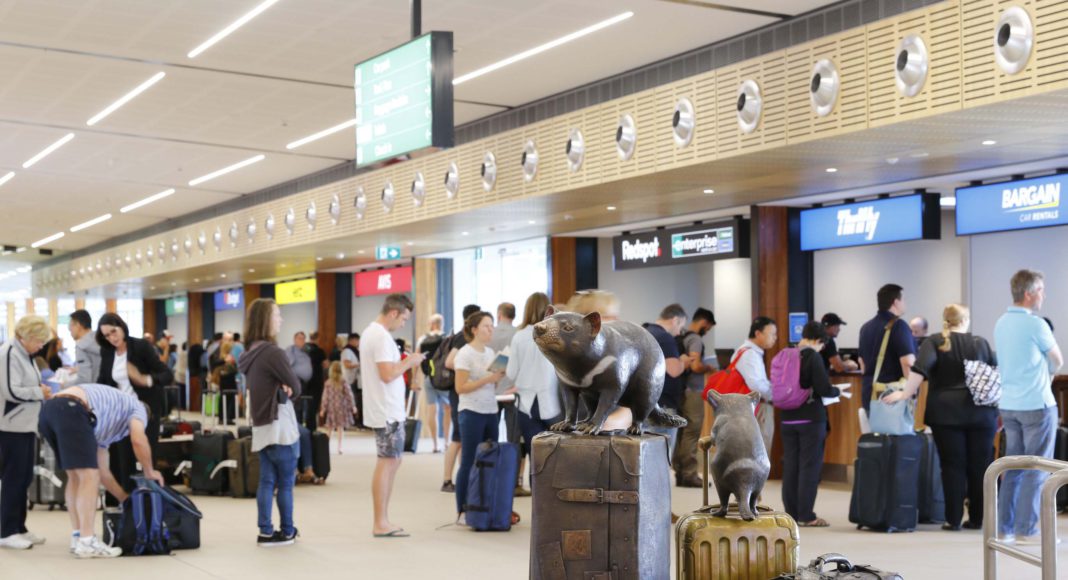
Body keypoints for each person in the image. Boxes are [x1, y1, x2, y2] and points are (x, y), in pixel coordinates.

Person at [883, 304, 998, 531]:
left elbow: (920, 369)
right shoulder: (980, 343)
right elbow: (994, 375)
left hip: (946, 413)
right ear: (966, 320)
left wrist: (905, 394)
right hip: (982, 413)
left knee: (952, 465)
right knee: (980, 465)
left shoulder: (935, 341)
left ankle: (952, 519)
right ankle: (977, 519)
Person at [37, 383, 163, 558]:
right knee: (89, 476)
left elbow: (103, 472)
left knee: (76, 477)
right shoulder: (138, 408)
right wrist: (149, 471)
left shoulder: (106, 426)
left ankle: (78, 537)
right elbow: (138, 440)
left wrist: (124, 499)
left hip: (49, 411)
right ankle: (87, 541)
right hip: (72, 408)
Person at [992, 270, 1062, 544]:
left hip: (1009, 405)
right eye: (1041, 289)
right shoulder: (1036, 324)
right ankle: (1027, 530)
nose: (1044, 294)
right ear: (1029, 293)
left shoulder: (1001, 322)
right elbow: (1057, 360)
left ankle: (1005, 529)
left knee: (1013, 467)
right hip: (1036, 404)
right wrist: (1047, 375)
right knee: (1037, 468)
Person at [237, 298, 304, 547]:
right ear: (266, 319)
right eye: (277, 315)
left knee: (266, 482)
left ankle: (265, 531)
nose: (281, 319)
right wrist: (287, 387)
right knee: (285, 483)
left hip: (262, 425)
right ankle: (287, 531)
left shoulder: (249, 354)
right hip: (281, 426)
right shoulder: (274, 353)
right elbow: (295, 387)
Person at [361, 294, 424, 538]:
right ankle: (380, 522)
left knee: (392, 461)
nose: (403, 324)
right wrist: (410, 362)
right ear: (394, 313)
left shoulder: (372, 333)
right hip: (386, 410)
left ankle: (383, 520)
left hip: (385, 409)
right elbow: (387, 374)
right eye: (404, 319)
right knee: (387, 462)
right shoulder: (380, 336)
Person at [96, 312, 173, 492]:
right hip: (120, 412)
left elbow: (166, 374)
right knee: (123, 458)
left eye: (114, 332)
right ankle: (128, 500)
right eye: (106, 335)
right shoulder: (107, 352)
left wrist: (146, 380)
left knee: (146, 456)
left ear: (122, 327)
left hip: (144, 410)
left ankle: (149, 497)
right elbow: (103, 380)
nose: (112, 338)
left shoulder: (140, 346)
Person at [780, 321, 841, 528]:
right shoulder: (812, 356)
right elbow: (824, 388)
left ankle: (791, 514)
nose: (821, 348)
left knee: (791, 466)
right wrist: (837, 391)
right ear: (818, 340)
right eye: (822, 344)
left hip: (787, 418)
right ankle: (806, 515)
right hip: (810, 418)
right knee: (809, 467)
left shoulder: (786, 354)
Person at [0, 315, 52, 550]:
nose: (41, 346)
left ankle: (19, 527)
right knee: (14, 478)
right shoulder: (9, 353)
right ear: (26, 337)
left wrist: (38, 390)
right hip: (11, 426)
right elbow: (11, 391)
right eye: (39, 341)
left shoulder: (24, 354)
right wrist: (39, 392)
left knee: (24, 478)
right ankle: (7, 531)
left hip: (26, 424)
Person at [453, 311, 506, 522]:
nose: (490, 330)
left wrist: (497, 378)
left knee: (490, 458)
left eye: (492, 326)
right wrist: (488, 379)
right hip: (471, 412)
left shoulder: (490, 352)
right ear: (474, 330)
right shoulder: (464, 354)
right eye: (486, 326)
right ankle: (462, 508)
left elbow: (491, 383)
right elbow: (460, 387)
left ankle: (484, 505)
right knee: (469, 460)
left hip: (490, 410)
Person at [507, 292, 560, 495]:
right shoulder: (556, 334)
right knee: (555, 454)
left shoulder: (519, 336)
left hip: (527, 405)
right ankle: (554, 499)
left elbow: (511, 373)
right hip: (553, 403)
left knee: (534, 454)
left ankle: (538, 502)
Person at [440, 304, 482, 493]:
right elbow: (450, 362)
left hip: (464, 392)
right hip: (458, 392)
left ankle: (460, 478)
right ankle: (447, 480)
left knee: (462, 438)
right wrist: (467, 371)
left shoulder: (465, 337)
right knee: (458, 437)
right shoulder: (462, 338)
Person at [857, 284, 916, 413]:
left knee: (874, 426)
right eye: (903, 299)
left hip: (869, 394)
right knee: (898, 427)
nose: (905, 303)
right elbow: (908, 362)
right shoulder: (899, 326)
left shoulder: (865, 328)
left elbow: (862, 365)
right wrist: (910, 392)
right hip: (892, 396)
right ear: (895, 302)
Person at [643, 304, 692, 460]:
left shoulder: (645, 331)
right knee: (661, 459)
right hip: (663, 406)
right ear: (675, 320)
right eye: (680, 327)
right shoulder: (665, 337)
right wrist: (684, 362)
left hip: (645, 404)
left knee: (645, 456)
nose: (678, 333)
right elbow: (673, 370)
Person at [675, 307, 716, 488]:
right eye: (709, 328)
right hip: (693, 391)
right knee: (691, 432)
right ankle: (690, 474)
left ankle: (680, 472)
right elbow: (695, 365)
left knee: (682, 432)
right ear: (704, 323)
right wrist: (709, 368)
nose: (707, 331)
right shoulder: (696, 339)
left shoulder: (681, 336)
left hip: (681, 390)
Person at [490, 302, 525, 494]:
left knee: (490, 437)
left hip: (492, 389)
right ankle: (513, 482)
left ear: (499, 314)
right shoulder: (519, 334)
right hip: (513, 391)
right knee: (514, 439)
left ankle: (490, 476)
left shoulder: (489, 332)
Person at [733, 317, 778, 455]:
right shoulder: (750, 354)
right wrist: (776, 395)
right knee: (759, 452)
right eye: (772, 334)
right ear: (758, 333)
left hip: (750, 408)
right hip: (758, 408)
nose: (775, 338)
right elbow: (756, 385)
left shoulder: (747, 351)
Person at [415, 316, 447, 452]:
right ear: (440, 324)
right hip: (444, 378)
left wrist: (414, 379)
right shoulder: (447, 337)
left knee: (432, 410)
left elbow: (416, 359)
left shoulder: (423, 339)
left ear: (432, 324)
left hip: (429, 378)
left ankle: (435, 444)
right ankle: (447, 442)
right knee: (448, 409)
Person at [320, 361, 356, 454]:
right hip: (341, 408)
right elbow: (349, 395)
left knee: (329, 428)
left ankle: (325, 447)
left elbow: (325, 397)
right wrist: (353, 406)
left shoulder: (328, 383)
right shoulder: (343, 382)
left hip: (331, 409)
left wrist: (323, 409)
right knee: (340, 428)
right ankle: (340, 447)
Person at [286, 331, 313, 427]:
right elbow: (288, 364)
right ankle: (296, 425)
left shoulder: (306, 351)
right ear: (294, 339)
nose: (302, 340)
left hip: (305, 384)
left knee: (303, 406)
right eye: (299, 338)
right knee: (296, 407)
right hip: (295, 382)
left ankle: (301, 425)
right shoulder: (290, 350)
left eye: (303, 339)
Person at [69, 309, 101, 386]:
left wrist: (63, 386)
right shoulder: (100, 340)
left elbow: (84, 380)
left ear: (78, 325)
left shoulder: (81, 346)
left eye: (70, 326)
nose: (70, 330)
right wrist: (79, 369)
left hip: (94, 390)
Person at [304, 331, 328, 431]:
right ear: (318, 339)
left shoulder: (304, 350)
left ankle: (304, 426)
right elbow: (326, 365)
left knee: (304, 404)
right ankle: (312, 427)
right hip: (316, 381)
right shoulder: (319, 351)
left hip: (304, 381)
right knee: (314, 405)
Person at [340, 333, 363, 428]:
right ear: (352, 340)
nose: (358, 343)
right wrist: (360, 364)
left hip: (354, 380)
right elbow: (347, 364)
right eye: (357, 340)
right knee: (350, 401)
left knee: (355, 401)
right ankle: (349, 421)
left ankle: (354, 420)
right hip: (348, 380)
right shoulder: (347, 351)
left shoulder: (355, 351)